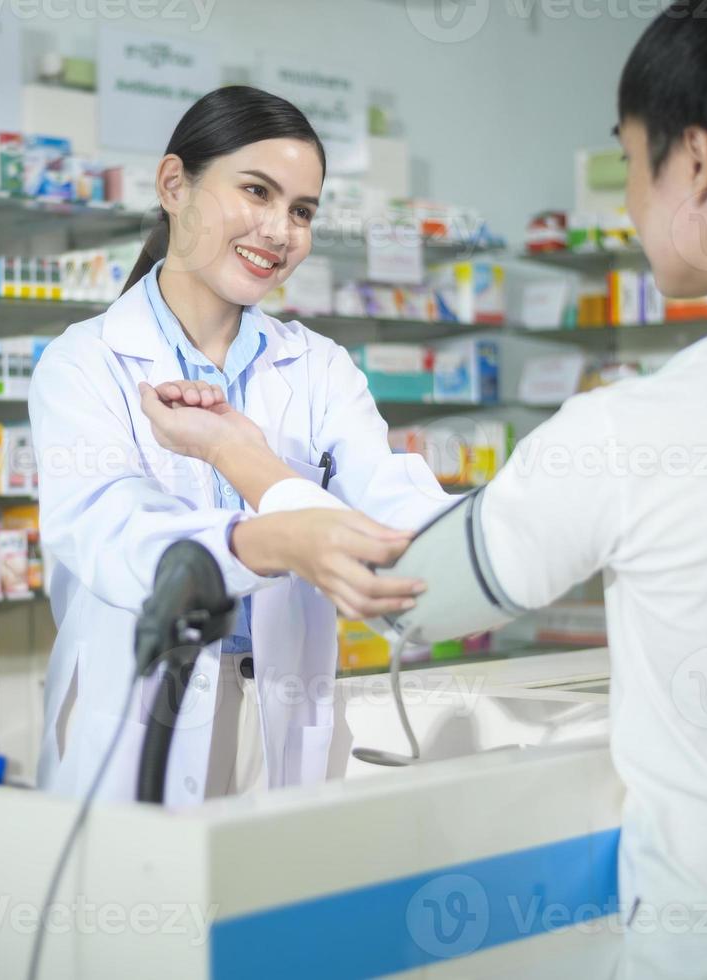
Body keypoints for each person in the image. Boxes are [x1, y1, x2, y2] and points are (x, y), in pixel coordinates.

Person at [138, 2, 707, 976]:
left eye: (630, 163)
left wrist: (247, 458)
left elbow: (409, 587)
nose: (630, 201)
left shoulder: (636, 429)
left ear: (697, 163)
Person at [28, 85, 453, 806]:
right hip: (141, 717)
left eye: (302, 211)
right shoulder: (85, 362)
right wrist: (282, 540)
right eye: (256, 190)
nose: (279, 229)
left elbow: (394, 504)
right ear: (174, 185)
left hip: (282, 713)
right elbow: (115, 536)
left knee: (275, 910)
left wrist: (460, 534)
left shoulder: (318, 368)